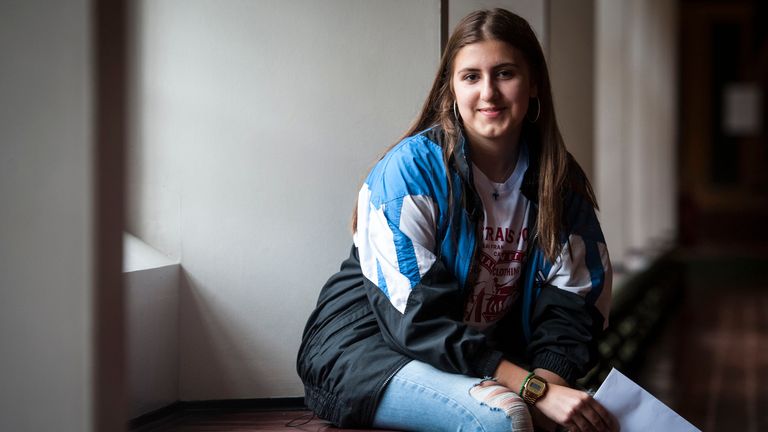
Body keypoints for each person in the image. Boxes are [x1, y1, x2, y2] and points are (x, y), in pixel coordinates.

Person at [297, 8, 616, 432]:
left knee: (577, 417)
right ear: (451, 87)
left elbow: (575, 306)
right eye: (471, 77)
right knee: (504, 419)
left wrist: (548, 385)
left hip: (483, 360)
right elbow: (417, 319)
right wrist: (533, 392)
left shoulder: (558, 181)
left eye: (505, 73)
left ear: (534, 82)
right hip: (369, 352)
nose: (489, 93)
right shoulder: (409, 174)